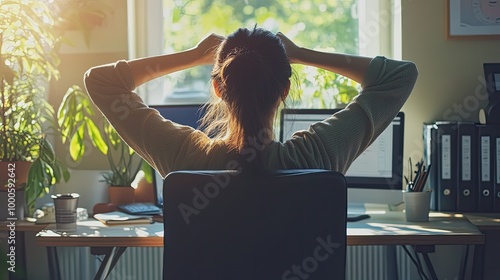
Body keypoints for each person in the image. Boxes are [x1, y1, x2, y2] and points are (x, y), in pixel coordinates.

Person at [84, 27, 418, 178]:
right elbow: (399, 75)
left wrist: (191, 56)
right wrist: (302, 54)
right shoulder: (318, 156)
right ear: (284, 90)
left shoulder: (184, 158)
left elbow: (101, 82)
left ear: (218, 88)